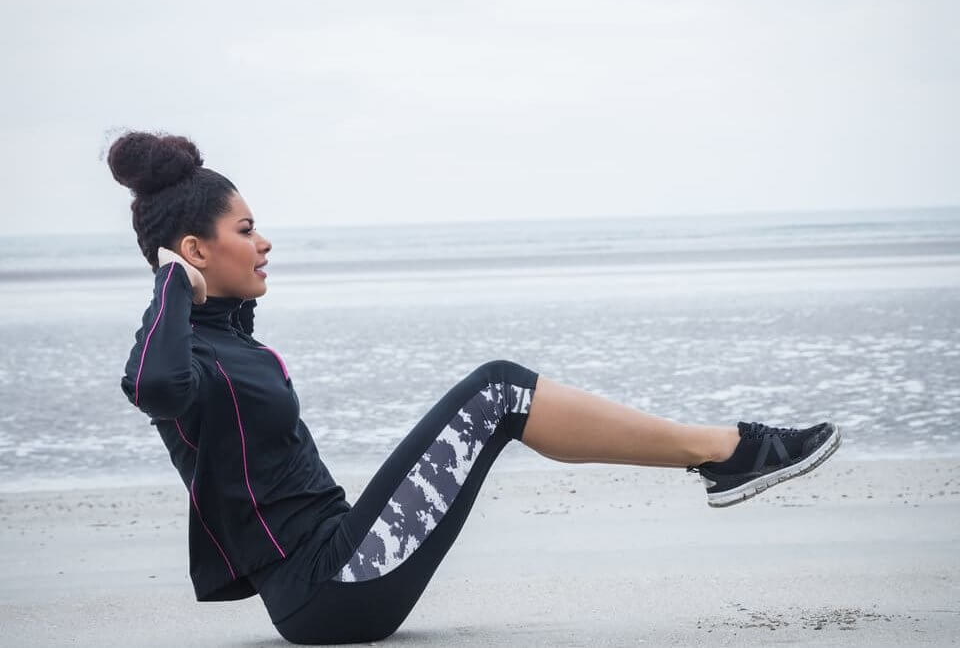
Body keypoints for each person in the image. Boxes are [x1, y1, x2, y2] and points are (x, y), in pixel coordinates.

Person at [110, 130, 842, 645]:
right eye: (246, 228)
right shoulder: (183, 347)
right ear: (197, 250)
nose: (264, 239)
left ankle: (722, 452)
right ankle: (727, 449)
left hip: (341, 561)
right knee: (496, 391)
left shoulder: (229, 341)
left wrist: (193, 289)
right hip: (326, 589)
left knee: (499, 399)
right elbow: (152, 384)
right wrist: (171, 278)